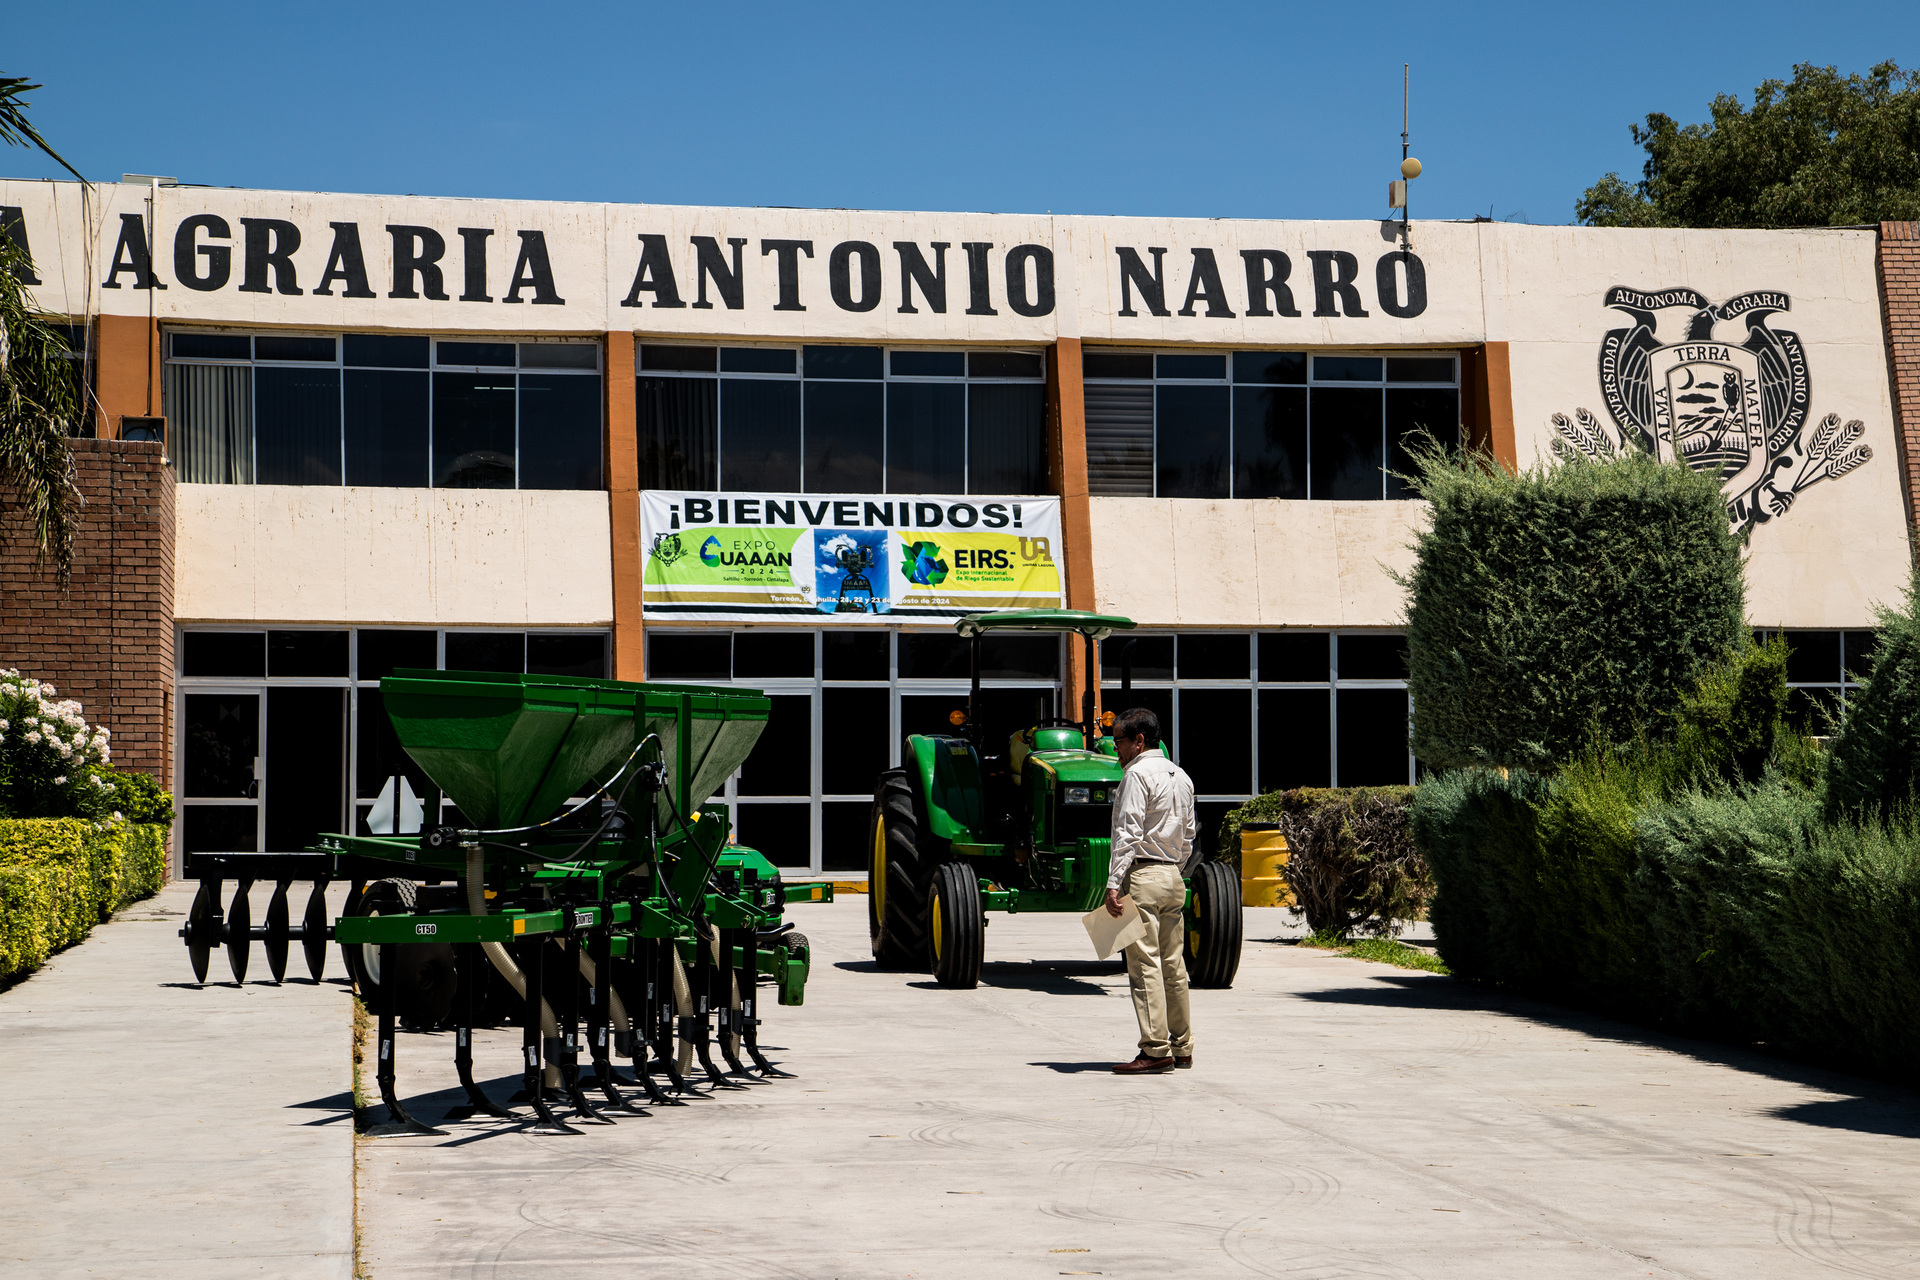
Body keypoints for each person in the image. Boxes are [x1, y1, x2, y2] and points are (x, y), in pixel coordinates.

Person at [1103, 707, 1197, 1074]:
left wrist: (1114, 884)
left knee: (1144, 968)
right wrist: (1175, 869)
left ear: (1139, 741)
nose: (1117, 751)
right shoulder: (1182, 776)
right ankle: (1183, 1047)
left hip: (1142, 876)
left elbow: (1127, 832)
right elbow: (1189, 834)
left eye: (1119, 742)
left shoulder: (1136, 775)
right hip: (1173, 878)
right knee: (1174, 965)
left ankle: (1156, 1051)